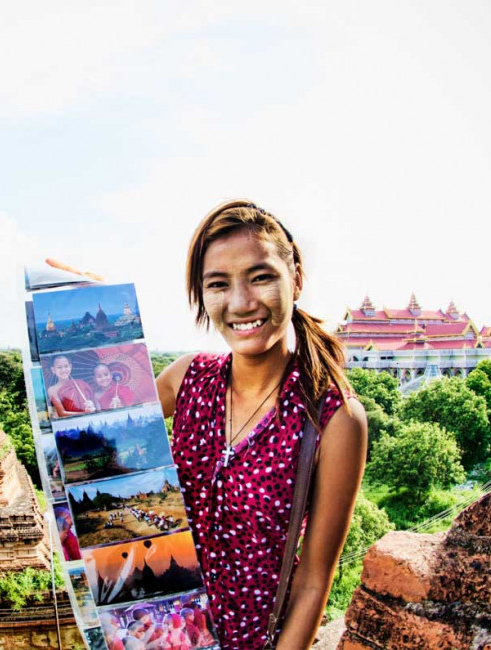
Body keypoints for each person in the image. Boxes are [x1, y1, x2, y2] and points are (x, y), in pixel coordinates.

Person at [156, 200, 367, 649]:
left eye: (261, 277)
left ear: (296, 279)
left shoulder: (332, 417)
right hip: (157, 635)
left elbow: (313, 583)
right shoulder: (187, 380)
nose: (241, 303)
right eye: (218, 284)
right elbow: (98, 431)